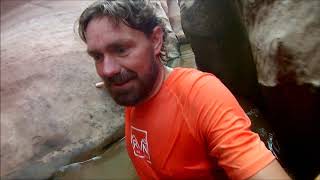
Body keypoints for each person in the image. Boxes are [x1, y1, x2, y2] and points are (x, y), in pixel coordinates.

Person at [78, 0, 291, 179]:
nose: (107, 70)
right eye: (97, 57)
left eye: (121, 49)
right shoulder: (134, 88)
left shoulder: (200, 95)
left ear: (155, 41)